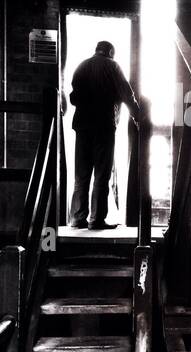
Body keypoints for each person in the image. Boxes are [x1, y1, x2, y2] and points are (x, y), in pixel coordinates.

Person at [67, 40, 140, 230]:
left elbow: (73, 98)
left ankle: (78, 218)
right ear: (110, 52)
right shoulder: (112, 66)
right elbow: (126, 93)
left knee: (81, 175)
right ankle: (96, 219)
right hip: (103, 127)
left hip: (82, 127)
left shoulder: (82, 66)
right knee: (101, 174)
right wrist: (137, 115)